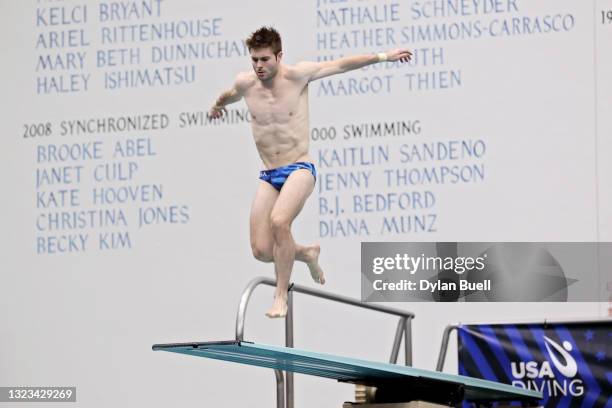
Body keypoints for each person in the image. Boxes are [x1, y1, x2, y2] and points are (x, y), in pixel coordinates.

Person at [209, 27, 412, 318]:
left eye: (265, 59)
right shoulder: (246, 84)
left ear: (279, 56)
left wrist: (383, 57)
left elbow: (341, 64)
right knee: (262, 251)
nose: (259, 66)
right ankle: (305, 253)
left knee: (280, 221)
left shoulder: (297, 75)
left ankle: (280, 296)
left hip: (299, 169)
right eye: (254, 59)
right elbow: (228, 95)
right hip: (270, 174)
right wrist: (217, 105)